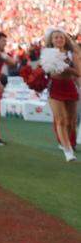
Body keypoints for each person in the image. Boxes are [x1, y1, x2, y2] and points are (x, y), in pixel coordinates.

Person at [40, 29, 78, 161]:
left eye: (61, 37)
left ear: (65, 39)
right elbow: (43, 71)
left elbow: (79, 72)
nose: (59, 40)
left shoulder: (71, 53)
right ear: (51, 40)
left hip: (69, 86)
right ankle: (68, 151)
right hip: (55, 87)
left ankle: (66, 143)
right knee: (61, 119)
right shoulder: (46, 54)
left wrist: (67, 67)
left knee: (71, 121)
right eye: (56, 38)